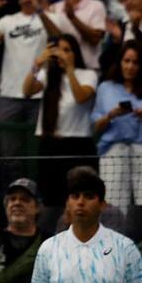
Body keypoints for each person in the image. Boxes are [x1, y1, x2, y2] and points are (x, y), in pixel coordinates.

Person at [91, 40, 142, 220]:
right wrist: (111, 115)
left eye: (135, 62)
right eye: (126, 61)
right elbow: (95, 126)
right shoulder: (105, 87)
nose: (130, 66)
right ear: (119, 62)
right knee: (113, 205)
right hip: (114, 149)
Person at [23, 34, 99, 203]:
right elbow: (27, 91)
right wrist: (37, 65)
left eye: (67, 50)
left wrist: (70, 70)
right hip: (50, 145)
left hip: (78, 145)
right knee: (51, 199)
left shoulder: (88, 75)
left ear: (75, 53)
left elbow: (81, 97)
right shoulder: (48, 75)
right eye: (58, 50)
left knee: (80, 196)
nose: (62, 54)